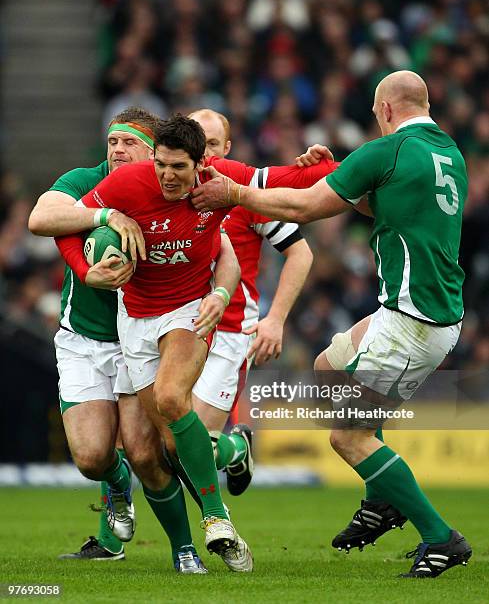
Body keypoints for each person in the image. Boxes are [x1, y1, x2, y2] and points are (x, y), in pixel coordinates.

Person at [190, 71, 472, 578]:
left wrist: (235, 193)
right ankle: (381, 499)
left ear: (384, 109)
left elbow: (305, 207)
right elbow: (377, 199)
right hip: (421, 310)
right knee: (328, 365)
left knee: (346, 435)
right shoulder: (449, 152)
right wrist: (336, 171)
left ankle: (439, 537)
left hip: (413, 320)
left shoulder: (383, 150)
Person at [28, 108, 216, 573]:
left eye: (128, 143)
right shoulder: (86, 180)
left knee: (148, 452)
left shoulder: (177, 189)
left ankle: (186, 547)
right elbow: (41, 217)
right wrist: (105, 215)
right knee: (93, 457)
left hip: (144, 339)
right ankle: (115, 487)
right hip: (84, 339)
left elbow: (223, 244)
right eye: (111, 141)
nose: (116, 150)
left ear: (155, 154)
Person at [188, 109, 315, 495]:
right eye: (197, 144)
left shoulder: (246, 197)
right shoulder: (168, 190)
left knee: (189, 449)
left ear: (227, 148)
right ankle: (235, 448)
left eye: (213, 145)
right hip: (175, 329)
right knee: (157, 445)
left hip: (228, 333)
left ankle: (233, 448)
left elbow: (301, 254)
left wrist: (274, 320)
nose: (205, 154)